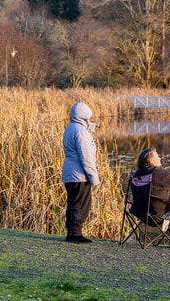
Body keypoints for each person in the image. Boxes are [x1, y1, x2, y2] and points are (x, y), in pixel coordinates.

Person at [61, 102, 100, 243]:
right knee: (81, 204)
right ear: (83, 116)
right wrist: (93, 177)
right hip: (79, 174)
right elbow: (86, 157)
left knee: (73, 203)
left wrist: (88, 128)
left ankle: (72, 232)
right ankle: (75, 234)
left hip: (69, 173)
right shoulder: (80, 132)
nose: (90, 119)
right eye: (88, 117)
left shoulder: (71, 127)